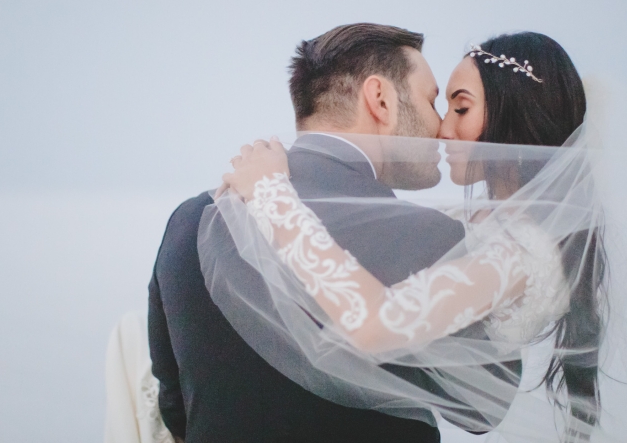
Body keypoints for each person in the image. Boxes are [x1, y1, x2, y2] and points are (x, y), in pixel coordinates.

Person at [215, 32, 607, 440]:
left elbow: (372, 326)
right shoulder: (493, 226)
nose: (443, 129)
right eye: (444, 106)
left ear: (510, 115)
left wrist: (271, 193)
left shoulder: (522, 255)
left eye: (461, 108)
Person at [146, 23, 519, 443]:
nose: (441, 127)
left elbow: (175, 407)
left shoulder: (190, 220)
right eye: (432, 101)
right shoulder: (434, 237)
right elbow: (483, 408)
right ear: (380, 100)